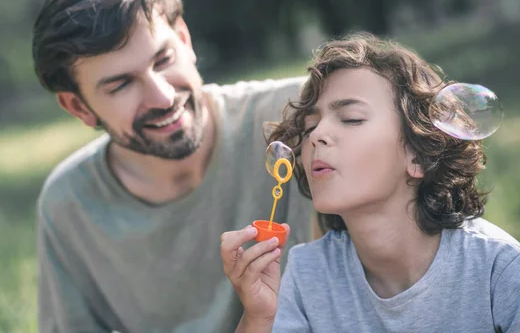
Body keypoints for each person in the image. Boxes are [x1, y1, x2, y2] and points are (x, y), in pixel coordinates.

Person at [32, 0, 318, 333]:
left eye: (163, 59)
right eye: (121, 85)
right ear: (78, 106)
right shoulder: (69, 206)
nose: (163, 96)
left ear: (184, 39)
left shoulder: (302, 115)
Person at [221, 33, 520, 332]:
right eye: (310, 126)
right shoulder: (308, 272)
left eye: (351, 118)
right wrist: (258, 317)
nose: (316, 135)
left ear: (418, 156)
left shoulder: (498, 269)